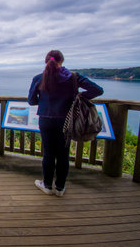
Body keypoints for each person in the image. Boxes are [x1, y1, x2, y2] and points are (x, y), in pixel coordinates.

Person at [28, 50, 103, 196]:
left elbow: (31, 101)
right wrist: (79, 96)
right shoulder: (73, 77)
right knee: (63, 154)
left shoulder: (38, 78)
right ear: (62, 61)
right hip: (67, 120)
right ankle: (60, 188)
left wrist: (42, 102)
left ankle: (47, 185)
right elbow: (98, 90)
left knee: (48, 154)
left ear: (46, 62)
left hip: (46, 120)